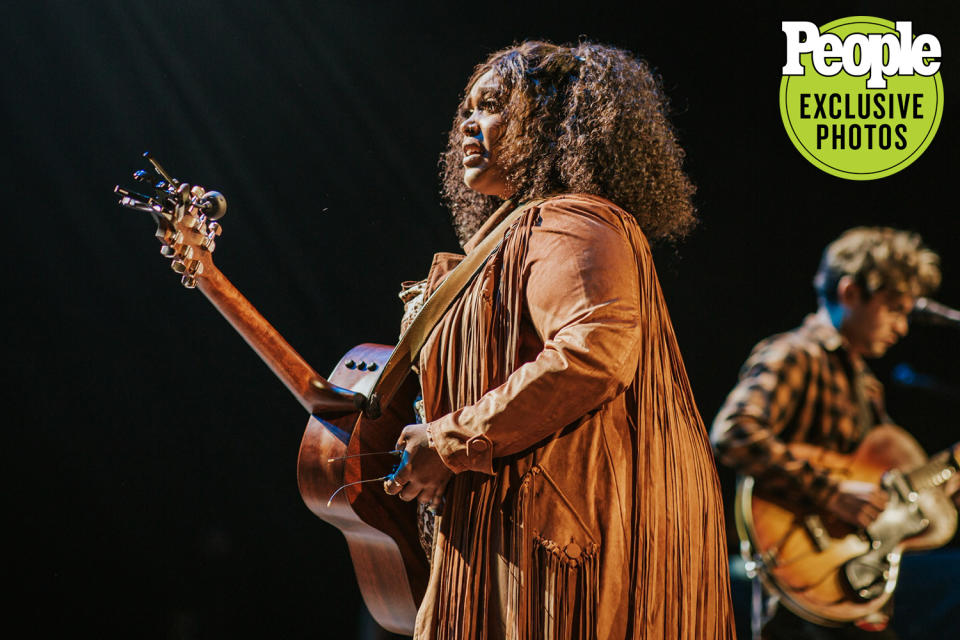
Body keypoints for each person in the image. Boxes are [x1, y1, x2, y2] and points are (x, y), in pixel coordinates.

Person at [381, 40, 735, 639]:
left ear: (545, 125)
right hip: (528, 536)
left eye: (492, 105)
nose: (469, 121)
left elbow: (592, 354)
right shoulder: (511, 237)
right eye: (466, 108)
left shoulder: (571, 220)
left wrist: (447, 438)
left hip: (564, 546)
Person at [711, 227, 957, 639]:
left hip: (855, 589)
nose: (902, 327)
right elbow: (734, 432)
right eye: (894, 308)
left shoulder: (868, 386)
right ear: (849, 292)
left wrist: (942, 486)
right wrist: (830, 494)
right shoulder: (795, 353)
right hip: (799, 591)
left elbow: (877, 490)